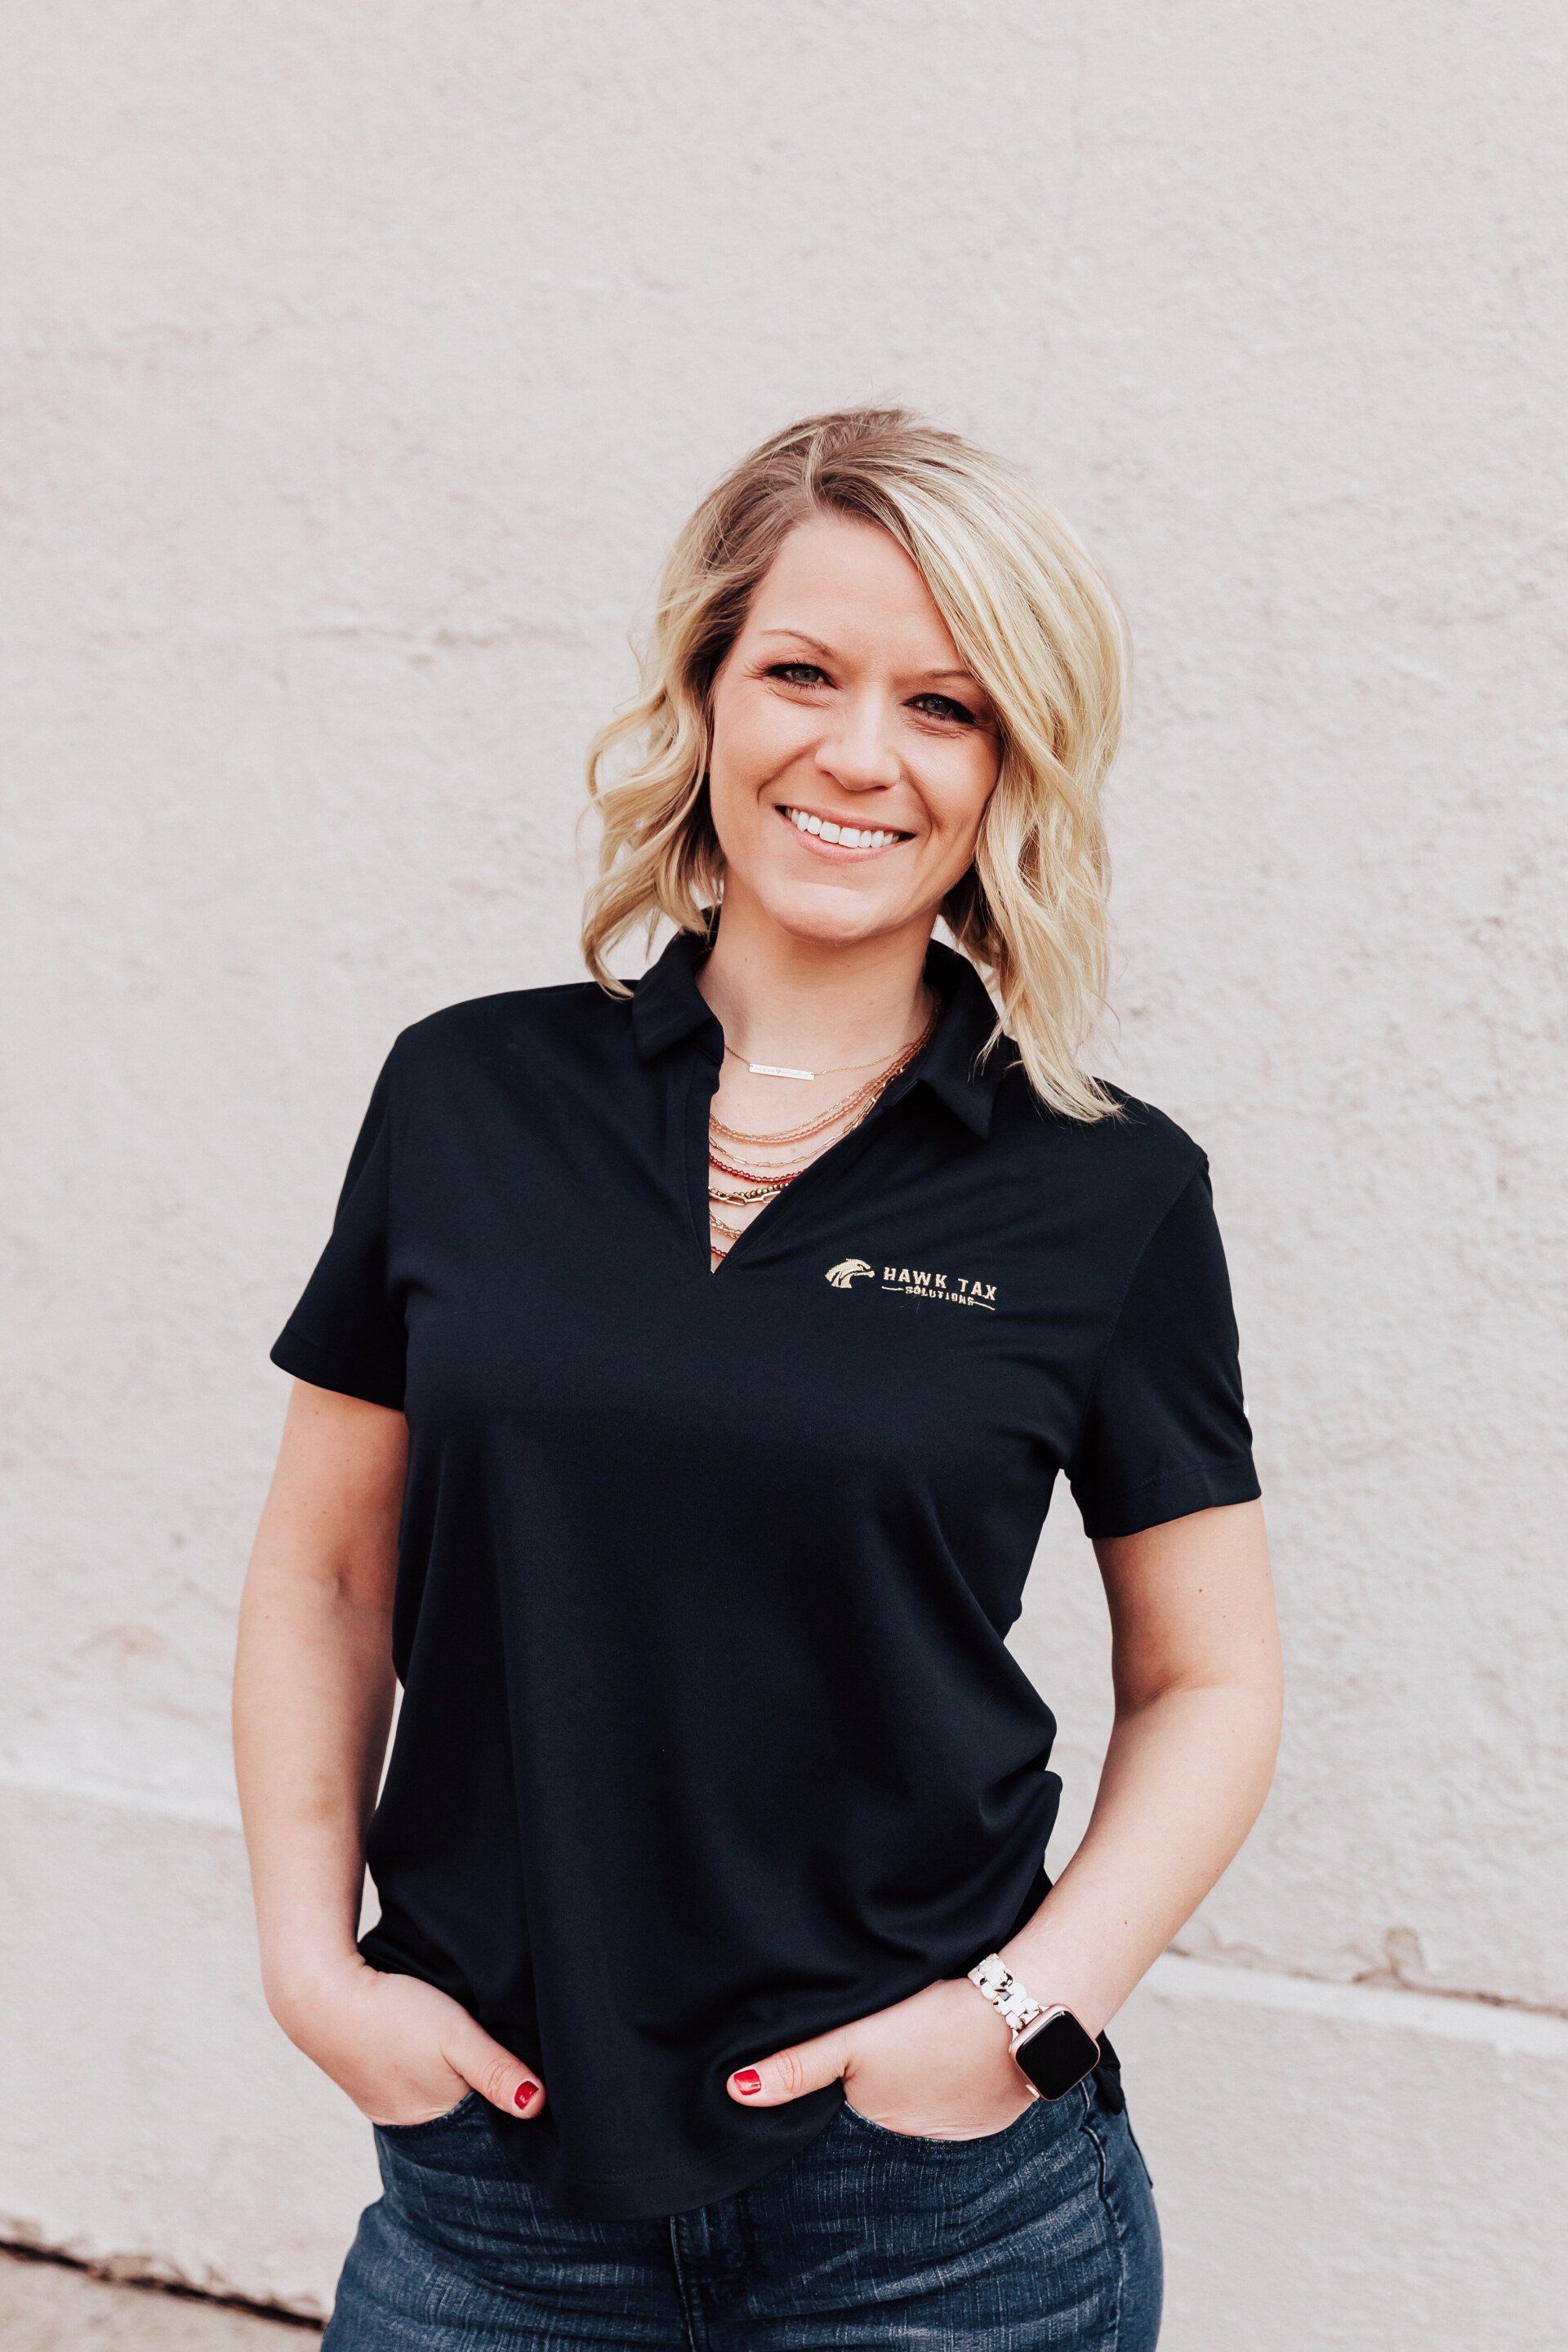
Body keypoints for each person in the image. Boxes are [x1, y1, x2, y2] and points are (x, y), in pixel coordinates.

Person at [234, 408, 1281, 2350]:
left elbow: (1210, 1679)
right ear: (707, 689)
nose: (861, 755)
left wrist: (1017, 2020)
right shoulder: (467, 1095)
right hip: (496, 2200)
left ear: (1013, 763)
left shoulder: (1107, 1186)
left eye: (945, 706)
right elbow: (328, 1572)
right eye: (803, 672)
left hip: (940, 2230)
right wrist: (313, 1970)